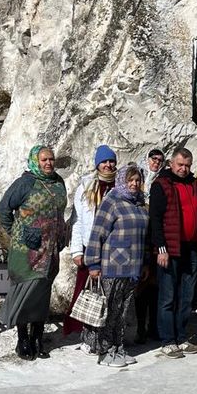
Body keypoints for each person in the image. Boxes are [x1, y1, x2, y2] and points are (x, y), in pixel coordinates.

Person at [0, 146, 68, 360]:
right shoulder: (25, 183)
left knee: (41, 296)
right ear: (35, 160)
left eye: (51, 159)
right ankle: (22, 340)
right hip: (27, 252)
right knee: (25, 295)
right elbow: (3, 210)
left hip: (50, 251)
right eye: (44, 159)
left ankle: (37, 337)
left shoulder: (58, 183)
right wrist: (18, 233)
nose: (49, 163)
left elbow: (60, 213)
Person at [84, 165, 149, 367]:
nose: (134, 184)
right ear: (122, 180)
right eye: (130, 180)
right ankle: (104, 351)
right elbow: (98, 233)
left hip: (133, 267)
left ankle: (118, 348)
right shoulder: (112, 201)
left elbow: (144, 238)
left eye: (137, 180)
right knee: (109, 310)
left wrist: (145, 262)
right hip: (112, 265)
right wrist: (93, 263)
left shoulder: (140, 203)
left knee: (122, 311)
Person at [149, 148, 197, 359]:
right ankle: (168, 340)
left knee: (187, 297)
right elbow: (155, 218)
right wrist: (160, 248)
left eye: (187, 165)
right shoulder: (161, 184)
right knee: (167, 297)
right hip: (170, 249)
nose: (183, 168)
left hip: (190, 248)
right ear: (171, 163)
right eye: (180, 164)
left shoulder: (192, 183)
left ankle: (181, 337)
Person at [65, 145, 117, 341]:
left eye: (111, 161)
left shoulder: (119, 186)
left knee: (108, 293)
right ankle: (81, 331)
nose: (108, 165)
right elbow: (77, 220)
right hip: (90, 246)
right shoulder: (86, 187)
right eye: (104, 161)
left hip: (113, 248)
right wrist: (76, 251)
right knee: (86, 290)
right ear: (97, 164)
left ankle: (105, 331)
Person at [135, 147, 164, 344]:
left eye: (160, 160)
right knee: (140, 288)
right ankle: (139, 328)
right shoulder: (138, 178)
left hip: (155, 240)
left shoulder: (162, 181)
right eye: (153, 159)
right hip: (139, 240)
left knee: (155, 287)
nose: (156, 162)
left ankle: (153, 326)